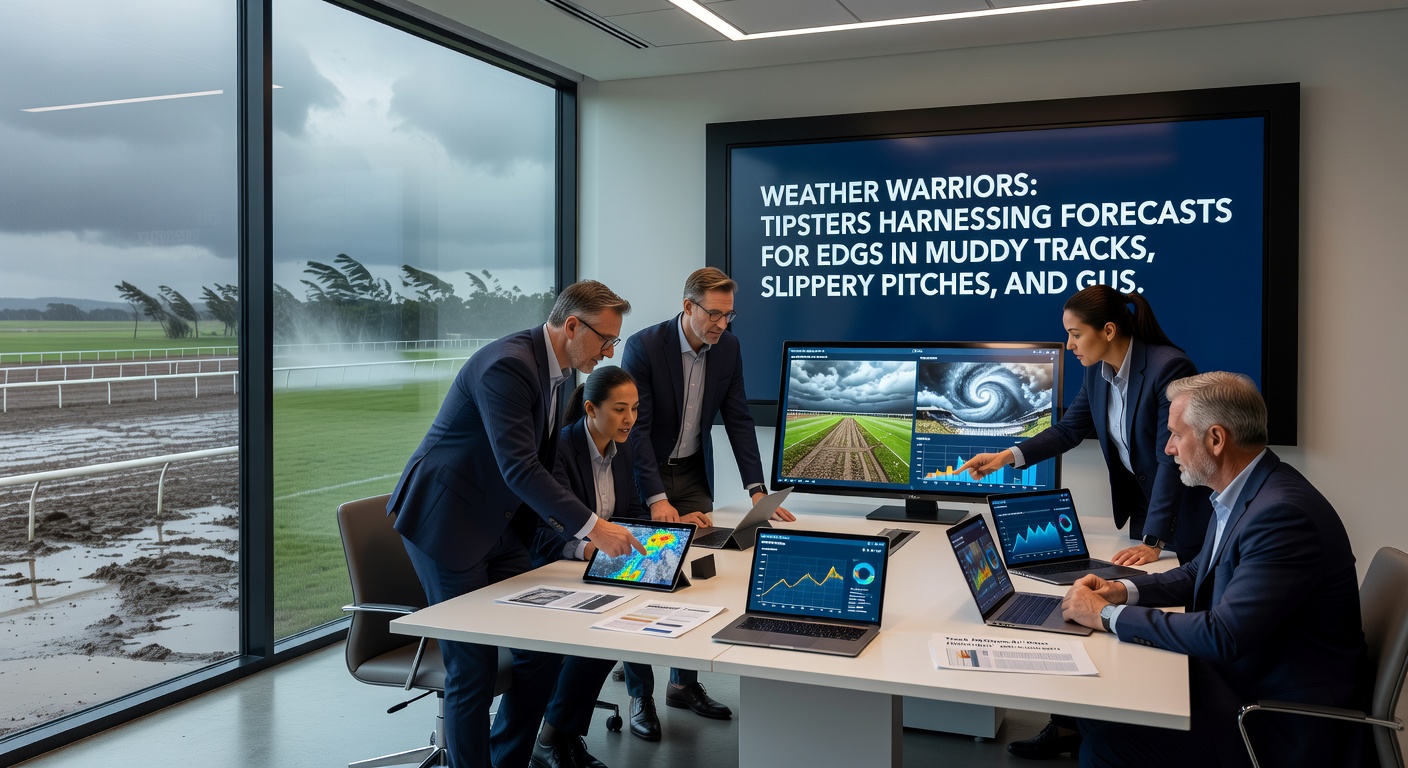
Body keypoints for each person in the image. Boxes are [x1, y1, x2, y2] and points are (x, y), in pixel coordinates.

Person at [387, 280, 646, 768]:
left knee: (541, 649)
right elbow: (520, 468)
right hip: (448, 524)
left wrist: (572, 542)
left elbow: (536, 467)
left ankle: (506, 759)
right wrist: (594, 527)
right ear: (573, 326)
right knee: (473, 669)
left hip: (499, 527)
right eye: (606, 340)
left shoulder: (555, 371)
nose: (611, 352)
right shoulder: (508, 365)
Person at [957, 285, 1214, 759]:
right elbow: (1069, 429)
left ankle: (1153, 730)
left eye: (1075, 335)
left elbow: (1170, 460)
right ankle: (1075, 727)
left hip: (1182, 520)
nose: (1069, 345)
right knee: (1087, 602)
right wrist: (1006, 456)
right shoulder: (1098, 372)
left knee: (1176, 614)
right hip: (1147, 516)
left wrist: (1155, 539)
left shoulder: (1167, 367)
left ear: (1108, 330)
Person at [1060, 371, 1367, 768]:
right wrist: (1121, 591)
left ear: (1216, 439)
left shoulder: (1281, 515)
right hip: (1239, 682)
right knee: (1098, 707)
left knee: (1103, 748)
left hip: (1272, 722)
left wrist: (1105, 615)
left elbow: (1223, 634)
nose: (1168, 448)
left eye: (1176, 434)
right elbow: (1197, 574)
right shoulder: (1249, 491)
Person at [620, 266, 796, 728]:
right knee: (646, 576)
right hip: (646, 471)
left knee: (699, 575)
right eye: (714, 314)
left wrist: (757, 489)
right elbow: (637, 430)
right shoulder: (643, 346)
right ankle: (640, 696)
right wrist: (656, 497)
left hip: (694, 470)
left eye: (729, 315)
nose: (721, 324)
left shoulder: (728, 348)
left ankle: (683, 683)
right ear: (688, 307)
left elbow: (738, 418)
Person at [527, 367, 713, 764]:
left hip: (602, 571)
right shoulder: (560, 449)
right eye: (620, 409)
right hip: (552, 571)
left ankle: (560, 738)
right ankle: (552, 739)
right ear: (590, 409)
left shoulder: (622, 448)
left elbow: (628, 514)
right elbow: (539, 532)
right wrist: (588, 550)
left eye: (635, 409)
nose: (630, 419)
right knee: (601, 641)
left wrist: (666, 533)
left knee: (660, 601)